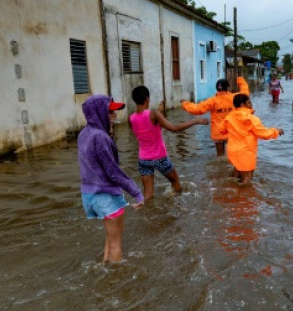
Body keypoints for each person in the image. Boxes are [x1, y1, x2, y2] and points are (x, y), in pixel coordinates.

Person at [78, 94, 144, 262]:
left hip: (89, 195)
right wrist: (136, 193)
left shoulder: (84, 134)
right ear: (99, 113)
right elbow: (113, 171)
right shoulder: (100, 137)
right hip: (105, 196)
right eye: (110, 112)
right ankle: (117, 280)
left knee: (110, 239)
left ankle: (105, 266)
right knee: (116, 243)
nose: (114, 116)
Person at [129, 85, 208, 201]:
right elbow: (173, 128)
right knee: (175, 182)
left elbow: (146, 133)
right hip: (159, 157)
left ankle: (146, 213)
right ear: (147, 99)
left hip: (143, 160)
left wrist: (160, 115)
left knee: (148, 195)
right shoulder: (153, 114)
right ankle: (179, 205)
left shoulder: (131, 118)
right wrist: (195, 121)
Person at [220, 93, 283, 185]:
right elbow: (263, 134)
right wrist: (276, 131)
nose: (251, 104)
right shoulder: (251, 118)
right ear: (242, 104)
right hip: (245, 152)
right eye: (249, 103)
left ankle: (230, 192)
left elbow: (221, 130)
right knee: (247, 179)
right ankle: (243, 196)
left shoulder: (229, 117)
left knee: (236, 173)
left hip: (232, 151)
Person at [180, 76, 250, 156]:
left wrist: (185, 104)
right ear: (227, 88)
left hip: (218, 132)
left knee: (220, 156)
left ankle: (220, 167)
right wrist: (240, 80)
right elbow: (245, 93)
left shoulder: (212, 101)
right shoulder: (234, 98)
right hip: (231, 131)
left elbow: (197, 109)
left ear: (217, 88)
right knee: (233, 154)